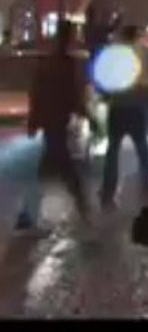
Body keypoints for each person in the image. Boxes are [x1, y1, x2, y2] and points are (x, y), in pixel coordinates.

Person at [19, 20, 92, 231]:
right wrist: (85, 114)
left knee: (52, 169)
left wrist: (34, 120)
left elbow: (37, 93)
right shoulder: (64, 63)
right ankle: (84, 210)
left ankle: (27, 216)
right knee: (63, 169)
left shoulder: (50, 62)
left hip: (53, 123)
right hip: (56, 123)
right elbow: (70, 94)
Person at [100, 25, 148, 210]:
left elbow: (103, 80)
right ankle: (145, 191)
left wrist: (107, 95)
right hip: (134, 109)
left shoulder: (113, 54)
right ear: (135, 36)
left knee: (112, 152)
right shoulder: (140, 54)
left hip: (117, 108)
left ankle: (107, 195)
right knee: (143, 152)